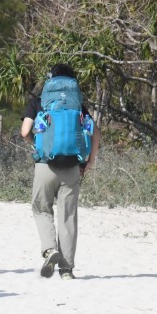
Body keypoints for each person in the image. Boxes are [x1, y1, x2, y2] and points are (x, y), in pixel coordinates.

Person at [20, 63, 100, 280]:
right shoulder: (77, 104)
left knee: (41, 209)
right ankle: (66, 270)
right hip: (72, 166)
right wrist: (90, 160)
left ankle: (49, 249)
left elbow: (25, 130)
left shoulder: (40, 102)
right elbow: (95, 132)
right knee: (68, 216)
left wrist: (36, 144)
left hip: (45, 164)